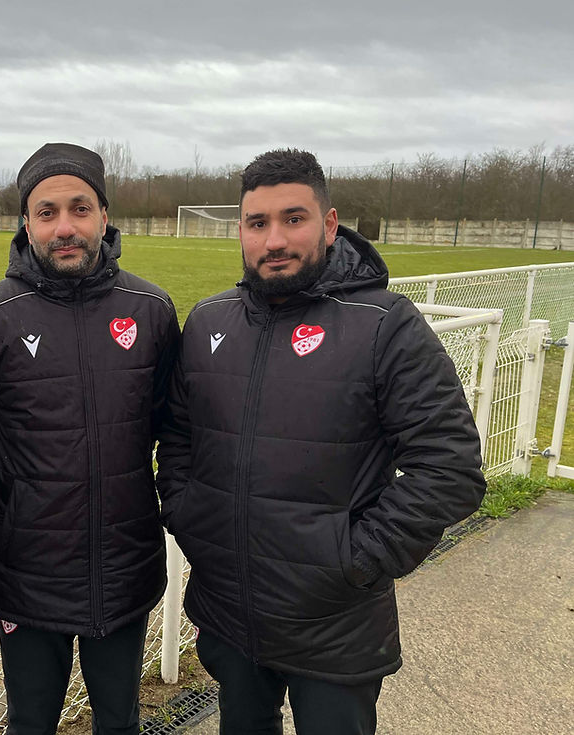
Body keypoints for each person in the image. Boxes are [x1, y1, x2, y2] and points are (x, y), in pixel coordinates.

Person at [156, 148, 486, 735]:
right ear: (241, 230)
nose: (274, 240)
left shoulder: (385, 326)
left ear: (330, 225)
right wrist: (190, 514)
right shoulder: (209, 321)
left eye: (294, 219)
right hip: (231, 613)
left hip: (335, 624)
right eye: (258, 223)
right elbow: (180, 437)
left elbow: (450, 467)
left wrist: (355, 558)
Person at [0, 142, 180, 735]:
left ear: (104, 214)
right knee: (30, 722)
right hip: (30, 577)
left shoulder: (152, 310)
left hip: (125, 569)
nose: (65, 227)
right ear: (26, 223)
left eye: (79, 208)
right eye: (46, 212)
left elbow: (165, 428)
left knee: (120, 721)